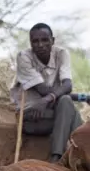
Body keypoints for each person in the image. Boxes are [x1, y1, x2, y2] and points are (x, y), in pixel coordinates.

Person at [10, 23, 83, 163]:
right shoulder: (24, 57)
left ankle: (56, 157)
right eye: (35, 41)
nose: (40, 45)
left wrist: (46, 100)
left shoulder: (61, 54)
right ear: (30, 43)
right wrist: (84, 98)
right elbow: (43, 90)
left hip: (53, 112)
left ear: (53, 40)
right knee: (69, 106)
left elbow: (68, 85)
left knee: (66, 101)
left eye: (45, 40)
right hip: (31, 117)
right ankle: (78, 155)